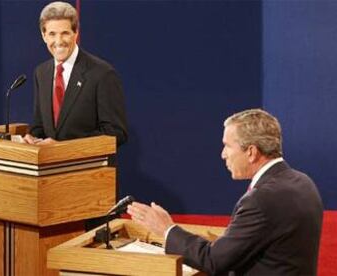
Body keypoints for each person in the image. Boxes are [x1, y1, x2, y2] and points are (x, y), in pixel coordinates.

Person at [127, 109, 323, 275]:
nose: (223, 154)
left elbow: (213, 261)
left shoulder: (261, 199)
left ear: (251, 152)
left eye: (227, 146)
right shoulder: (303, 182)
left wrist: (166, 229)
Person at [24, 1, 127, 146]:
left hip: (87, 166)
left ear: (76, 33)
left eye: (65, 33)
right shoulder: (41, 73)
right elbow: (39, 125)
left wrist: (63, 147)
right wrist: (31, 137)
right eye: (52, 34)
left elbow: (116, 133)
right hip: (48, 166)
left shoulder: (102, 73)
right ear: (44, 36)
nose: (58, 41)